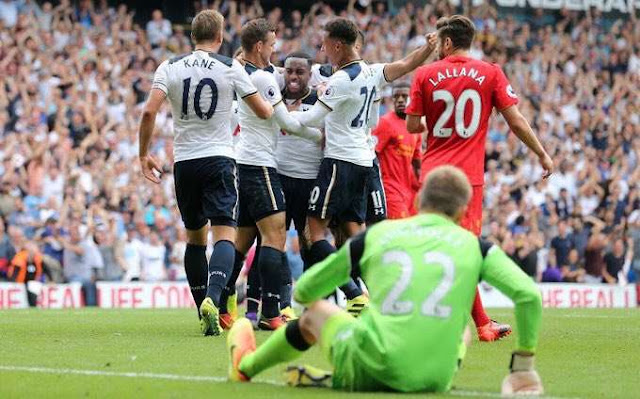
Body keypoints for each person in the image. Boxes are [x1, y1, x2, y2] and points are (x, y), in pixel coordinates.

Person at [226, 166, 544, 396]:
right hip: (434, 381)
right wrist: (523, 365)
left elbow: (306, 291)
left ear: (418, 201)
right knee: (461, 328)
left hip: (371, 365)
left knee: (315, 313)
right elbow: (529, 295)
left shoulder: (377, 235)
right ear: (463, 212)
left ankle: (247, 367)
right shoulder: (477, 247)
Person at [405, 15, 553, 342]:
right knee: (467, 251)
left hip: (432, 176)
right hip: (467, 181)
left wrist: (437, 125)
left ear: (445, 42)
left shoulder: (425, 74)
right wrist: (541, 153)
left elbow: (412, 126)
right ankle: (476, 323)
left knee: (431, 245)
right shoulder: (490, 73)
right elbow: (515, 121)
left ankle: (469, 321)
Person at [289, 18, 438, 315]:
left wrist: (276, 114)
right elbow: (407, 64)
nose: (322, 49)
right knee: (355, 232)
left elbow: (309, 119)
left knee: (312, 232)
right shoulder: (372, 72)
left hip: (339, 162)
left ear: (338, 45)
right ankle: (387, 294)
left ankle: (354, 293)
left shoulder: (341, 81)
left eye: (325, 44)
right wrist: (429, 48)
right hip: (364, 163)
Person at [138, 10, 273, 336]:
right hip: (220, 159)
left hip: (185, 162)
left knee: (195, 239)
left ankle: (203, 310)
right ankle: (215, 299)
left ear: (192, 35)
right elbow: (264, 112)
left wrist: (143, 155)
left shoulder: (169, 66)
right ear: (221, 36)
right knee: (224, 234)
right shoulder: (231, 67)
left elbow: (148, 111)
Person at [230, 18, 323, 331]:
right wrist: (319, 137)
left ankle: (219, 300)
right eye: (271, 45)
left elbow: (302, 72)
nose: (275, 51)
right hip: (260, 165)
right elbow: (285, 122)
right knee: (275, 236)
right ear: (260, 46)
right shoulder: (262, 79)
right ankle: (272, 311)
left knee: (243, 240)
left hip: (244, 162)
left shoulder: (248, 72)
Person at [372, 82, 422, 219]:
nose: (400, 100)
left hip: (410, 193)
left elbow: (417, 163)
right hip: (390, 190)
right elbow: (371, 153)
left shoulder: (415, 127)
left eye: (404, 96)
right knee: (401, 231)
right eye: (396, 97)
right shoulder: (385, 123)